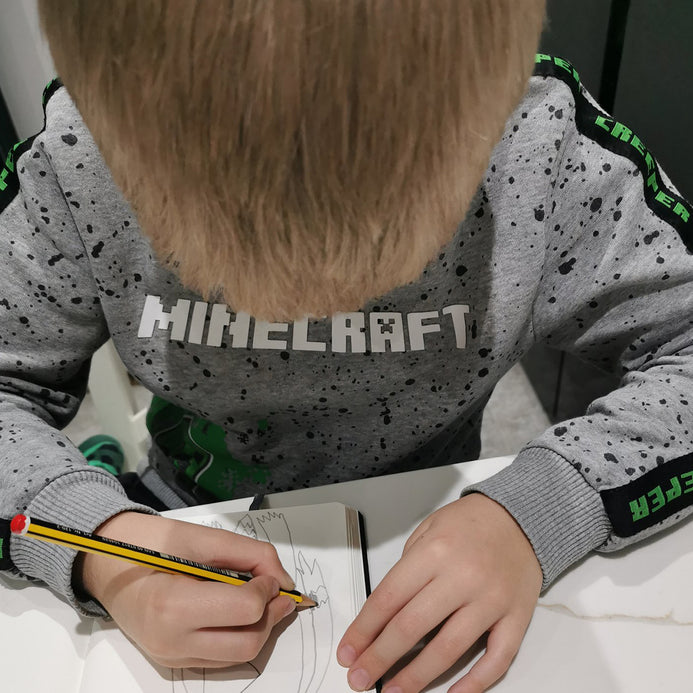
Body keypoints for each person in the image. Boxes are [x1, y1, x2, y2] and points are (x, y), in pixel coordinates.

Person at [1, 1, 691, 691]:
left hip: (450, 517)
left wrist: (541, 505)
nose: (314, 312)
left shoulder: (544, 155)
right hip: (181, 508)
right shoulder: (78, 163)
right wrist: (96, 541)